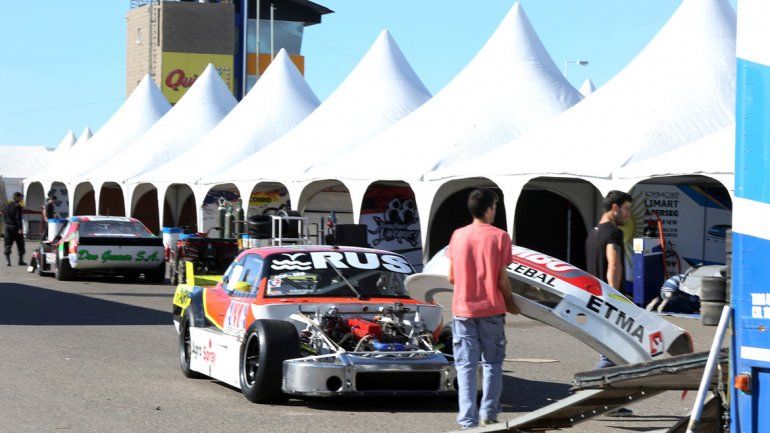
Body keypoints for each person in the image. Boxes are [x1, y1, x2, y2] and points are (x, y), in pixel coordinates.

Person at [447, 188, 519, 429]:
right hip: (491, 310)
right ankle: (489, 412)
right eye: (494, 207)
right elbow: (502, 279)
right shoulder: (500, 237)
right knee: (492, 363)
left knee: (466, 366)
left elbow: (451, 277)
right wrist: (510, 302)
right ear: (489, 209)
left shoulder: (458, 235)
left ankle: (467, 421)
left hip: (463, 310)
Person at [585, 190, 633, 415]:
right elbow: (613, 264)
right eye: (626, 209)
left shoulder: (593, 234)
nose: (628, 214)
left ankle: (605, 401)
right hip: (608, 303)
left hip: (594, 301)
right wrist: (615, 299)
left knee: (613, 354)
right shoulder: (613, 233)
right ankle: (593, 395)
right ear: (615, 208)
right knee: (613, 356)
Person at [4, 192, 27, 266]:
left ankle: (8, 261)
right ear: (17, 197)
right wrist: (20, 228)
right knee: (20, 244)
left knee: (8, 244)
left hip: (7, 227)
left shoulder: (7, 205)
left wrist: (6, 224)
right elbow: (18, 218)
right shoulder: (17, 206)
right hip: (15, 227)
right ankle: (20, 261)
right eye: (21, 197)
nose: (22, 198)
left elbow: (5, 216)